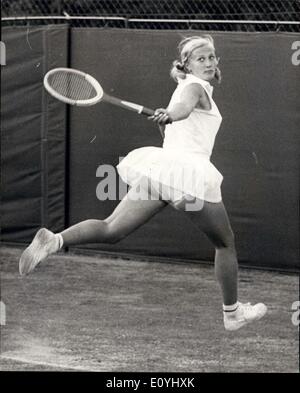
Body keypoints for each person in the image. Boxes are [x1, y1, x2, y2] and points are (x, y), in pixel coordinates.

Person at [19, 35, 267, 331]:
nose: (209, 63)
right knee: (225, 243)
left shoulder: (182, 88)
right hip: (187, 175)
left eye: (212, 57)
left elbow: (177, 126)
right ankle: (232, 314)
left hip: (163, 173)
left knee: (112, 228)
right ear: (186, 64)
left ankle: (55, 240)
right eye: (201, 59)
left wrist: (167, 119)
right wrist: (173, 114)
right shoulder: (194, 88)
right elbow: (184, 110)